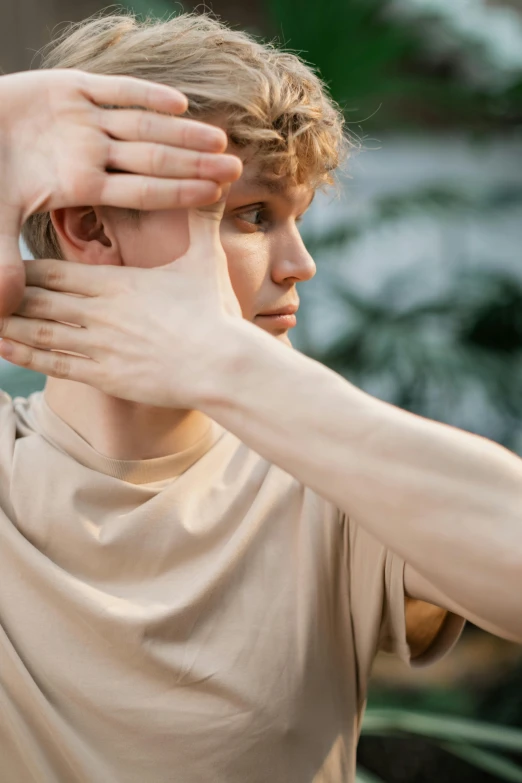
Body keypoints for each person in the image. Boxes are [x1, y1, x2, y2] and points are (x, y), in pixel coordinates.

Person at [0, 12, 520, 783]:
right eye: (253, 215)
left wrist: (224, 365)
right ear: (89, 229)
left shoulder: (332, 485)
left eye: (297, 219)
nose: (300, 262)